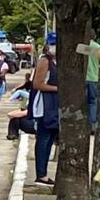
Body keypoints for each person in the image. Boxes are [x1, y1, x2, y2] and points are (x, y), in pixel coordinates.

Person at [31, 35, 59, 186]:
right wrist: (58, 89)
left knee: (50, 140)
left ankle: (44, 172)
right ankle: (41, 173)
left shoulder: (58, 62)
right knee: (43, 139)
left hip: (56, 104)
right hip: (44, 105)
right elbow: (38, 84)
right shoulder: (44, 61)